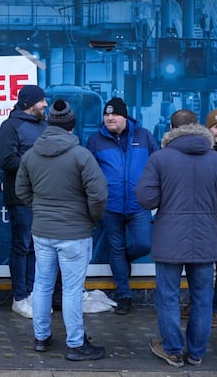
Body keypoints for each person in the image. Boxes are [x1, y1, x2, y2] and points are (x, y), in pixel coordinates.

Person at [136, 110, 217, 368]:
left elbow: (146, 198)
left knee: (168, 297)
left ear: (171, 128)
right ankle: (196, 352)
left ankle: (172, 350)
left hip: (169, 240)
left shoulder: (160, 159)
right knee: (203, 298)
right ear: (198, 127)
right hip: (206, 238)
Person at [16, 99, 107, 361]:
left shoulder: (31, 154)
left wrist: (41, 209)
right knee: (71, 289)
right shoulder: (81, 155)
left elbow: (21, 191)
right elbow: (99, 195)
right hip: (75, 233)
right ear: (71, 127)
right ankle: (76, 344)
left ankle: (41, 338)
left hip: (42, 231)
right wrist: (90, 218)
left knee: (42, 285)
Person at [86, 97, 159, 315]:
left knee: (144, 244)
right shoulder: (95, 140)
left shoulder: (144, 136)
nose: (109, 117)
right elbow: (89, 172)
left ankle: (125, 258)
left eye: (114, 114)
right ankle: (124, 295)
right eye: (106, 114)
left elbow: (157, 164)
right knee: (115, 249)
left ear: (124, 117)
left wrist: (153, 192)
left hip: (139, 204)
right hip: (110, 205)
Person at [181, 109, 217, 327]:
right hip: (201, 220)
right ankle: (198, 303)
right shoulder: (199, 151)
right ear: (208, 128)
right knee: (196, 264)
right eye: (216, 127)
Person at [0, 84, 48, 318]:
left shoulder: (44, 125)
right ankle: (19, 297)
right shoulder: (10, 126)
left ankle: (31, 293)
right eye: (41, 101)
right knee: (22, 245)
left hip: (45, 195)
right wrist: (38, 162)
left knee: (37, 247)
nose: (45, 104)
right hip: (21, 197)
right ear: (28, 104)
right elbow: (7, 160)